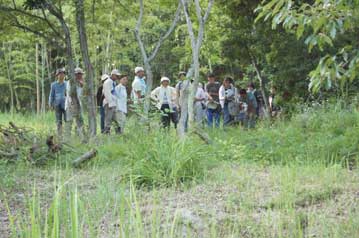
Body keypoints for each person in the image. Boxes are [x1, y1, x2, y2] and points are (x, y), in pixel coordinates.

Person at [65, 67, 84, 139]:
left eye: (81, 74)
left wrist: (81, 84)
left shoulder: (80, 84)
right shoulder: (70, 82)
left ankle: (80, 136)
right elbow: (69, 94)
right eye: (78, 74)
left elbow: (81, 94)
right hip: (70, 104)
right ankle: (67, 138)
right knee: (69, 121)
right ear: (75, 75)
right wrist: (72, 105)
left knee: (80, 121)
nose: (80, 76)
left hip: (78, 104)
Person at [49, 68, 67, 138]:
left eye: (63, 74)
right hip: (57, 104)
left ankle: (67, 134)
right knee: (58, 121)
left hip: (66, 105)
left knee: (67, 120)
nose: (61, 75)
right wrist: (50, 104)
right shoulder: (54, 85)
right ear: (57, 75)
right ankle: (60, 135)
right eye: (60, 74)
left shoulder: (67, 84)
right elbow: (51, 95)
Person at [103, 69, 122, 134]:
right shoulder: (108, 82)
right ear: (113, 75)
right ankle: (106, 133)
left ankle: (118, 132)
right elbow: (107, 93)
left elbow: (114, 93)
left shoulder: (113, 82)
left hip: (113, 104)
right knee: (108, 119)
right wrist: (110, 103)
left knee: (115, 119)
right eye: (116, 76)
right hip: (109, 104)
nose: (117, 77)